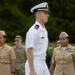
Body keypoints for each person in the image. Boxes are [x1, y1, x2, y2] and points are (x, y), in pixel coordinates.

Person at [25, 2, 51, 75]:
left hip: (42, 63)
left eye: (47, 13)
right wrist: (32, 70)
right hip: (34, 63)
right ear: (38, 14)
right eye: (45, 13)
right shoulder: (34, 30)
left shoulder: (44, 30)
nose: (47, 15)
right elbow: (29, 50)